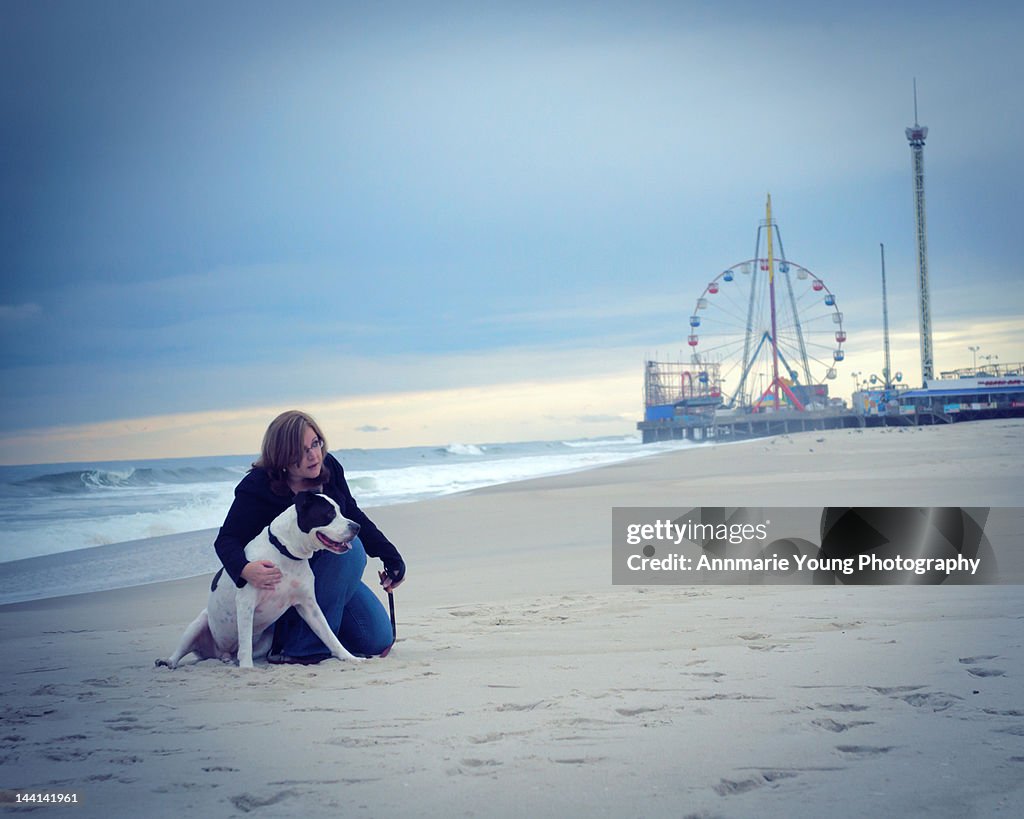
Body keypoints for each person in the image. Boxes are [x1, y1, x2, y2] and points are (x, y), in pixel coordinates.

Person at [214, 410, 405, 662]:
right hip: (280, 588)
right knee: (353, 550)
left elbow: (351, 513)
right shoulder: (257, 487)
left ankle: (318, 631)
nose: (314, 455)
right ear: (282, 455)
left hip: (328, 576)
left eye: (315, 443)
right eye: (302, 451)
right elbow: (226, 539)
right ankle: (300, 648)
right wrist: (245, 569)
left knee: (375, 639)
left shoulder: (330, 468)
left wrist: (391, 557)